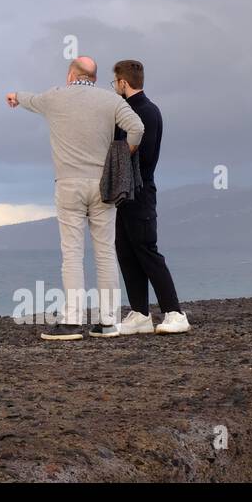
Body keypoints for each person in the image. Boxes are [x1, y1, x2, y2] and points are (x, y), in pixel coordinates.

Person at [7, 56, 144, 340]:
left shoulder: (55, 97)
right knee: (105, 252)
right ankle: (108, 322)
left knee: (72, 254)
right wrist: (121, 156)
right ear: (93, 78)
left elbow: (30, 99)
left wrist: (15, 96)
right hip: (103, 184)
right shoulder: (111, 101)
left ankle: (72, 322)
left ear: (71, 75)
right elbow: (137, 128)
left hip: (69, 184)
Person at [110, 60, 190, 335]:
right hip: (125, 194)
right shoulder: (130, 110)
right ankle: (140, 313)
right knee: (126, 251)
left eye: (115, 82)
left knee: (147, 251)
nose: (115, 87)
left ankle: (175, 312)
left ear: (123, 82)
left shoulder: (146, 111)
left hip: (141, 191)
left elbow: (143, 157)